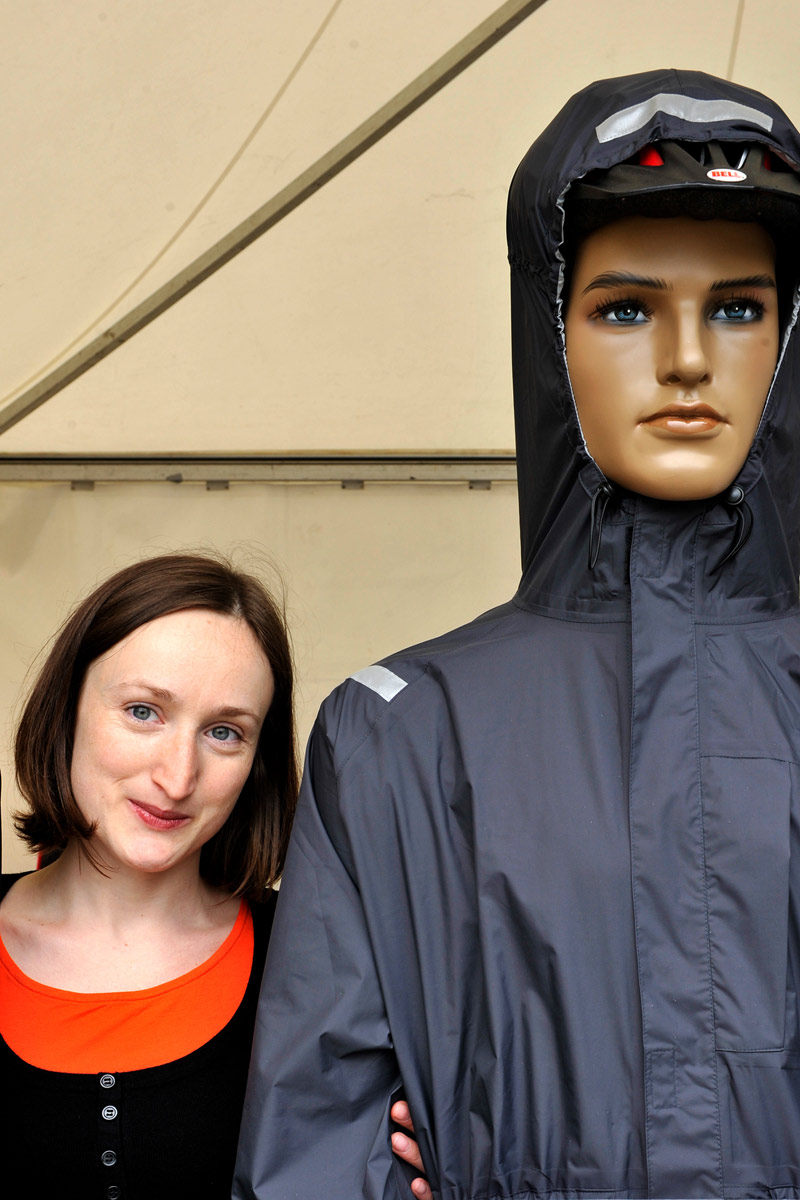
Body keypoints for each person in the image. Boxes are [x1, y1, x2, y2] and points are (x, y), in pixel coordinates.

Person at [233, 70, 800, 1199]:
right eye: (625, 308)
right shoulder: (401, 732)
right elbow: (318, 1144)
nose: (688, 359)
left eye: (738, 308)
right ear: (549, 333)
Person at [0, 552, 427, 1197]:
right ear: (65, 711)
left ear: (258, 763)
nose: (178, 777)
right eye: (143, 711)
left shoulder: (330, 962)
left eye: (224, 732)